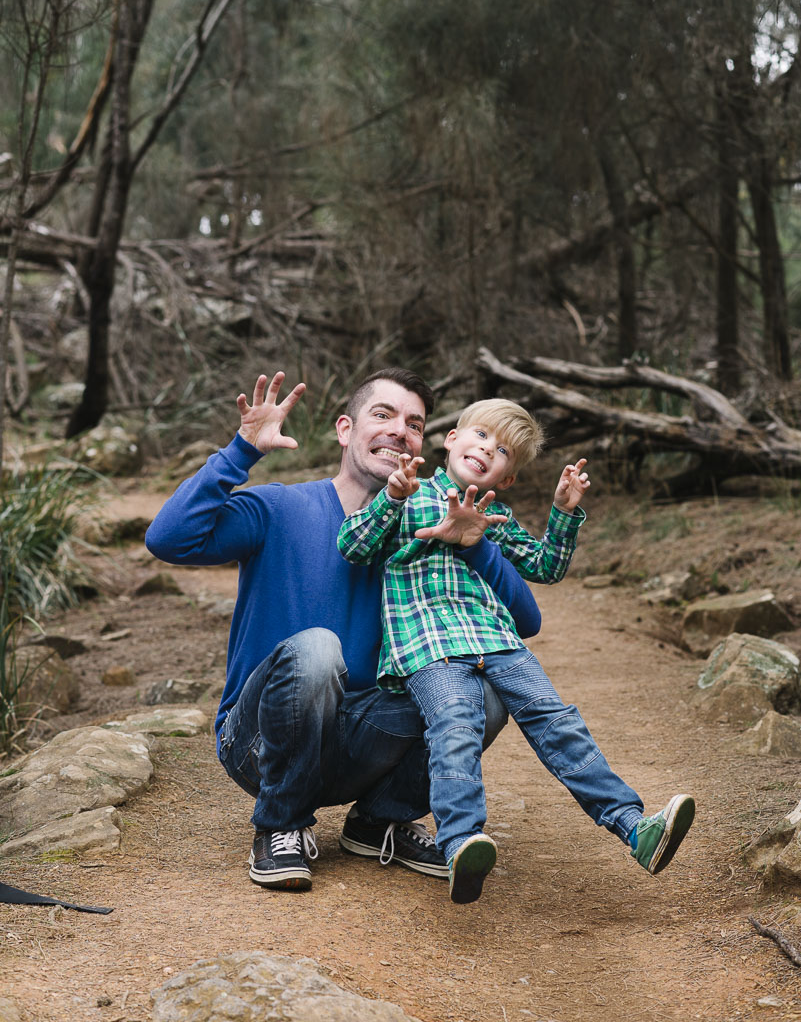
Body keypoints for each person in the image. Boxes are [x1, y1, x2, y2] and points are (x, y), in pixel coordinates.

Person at [145, 369, 542, 892]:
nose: (399, 430)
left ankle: (379, 821)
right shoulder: (280, 507)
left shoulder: (431, 532)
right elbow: (168, 539)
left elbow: (526, 621)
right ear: (344, 429)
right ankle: (280, 823)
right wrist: (242, 450)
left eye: (414, 424)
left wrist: (472, 545)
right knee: (317, 649)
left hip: (363, 743)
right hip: (261, 741)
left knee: (483, 690)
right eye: (383, 414)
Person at [337, 398, 696, 904]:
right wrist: (393, 497)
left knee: (558, 722)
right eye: (481, 435)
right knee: (455, 726)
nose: (488, 449)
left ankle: (635, 827)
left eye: (503, 450)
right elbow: (352, 546)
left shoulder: (496, 517)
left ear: (506, 479)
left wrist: (564, 512)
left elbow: (546, 566)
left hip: (498, 641)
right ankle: (460, 843)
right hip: (429, 644)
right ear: (451, 440)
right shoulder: (408, 494)